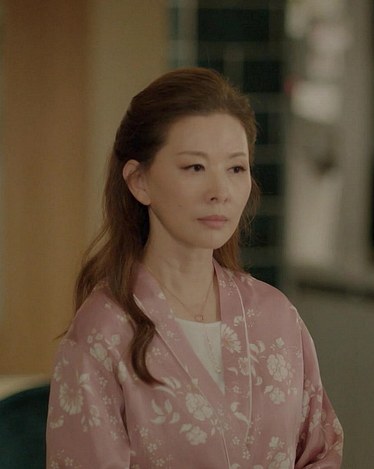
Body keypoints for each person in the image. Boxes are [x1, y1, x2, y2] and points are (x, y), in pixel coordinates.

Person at [46, 67, 343, 467]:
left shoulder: (276, 316)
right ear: (139, 181)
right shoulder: (103, 332)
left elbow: (320, 452)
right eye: (195, 168)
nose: (220, 192)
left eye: (236, 168)